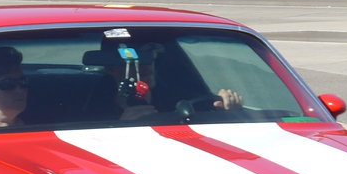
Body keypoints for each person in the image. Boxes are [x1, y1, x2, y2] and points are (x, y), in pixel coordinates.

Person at [83, 44, 243, 121]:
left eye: (151, 55)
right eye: (136, 58)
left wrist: (230, 112)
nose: (147, 63)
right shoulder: (97, 105)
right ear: (111, 68)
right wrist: (122, 125)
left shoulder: (179, 97)